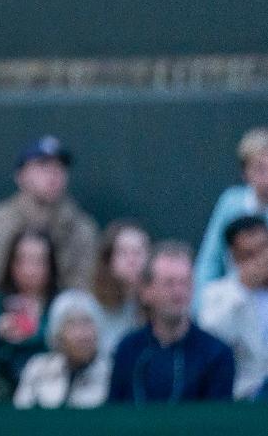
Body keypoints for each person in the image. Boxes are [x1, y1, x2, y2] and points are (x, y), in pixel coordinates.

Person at [0, 135, 98, 310]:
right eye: (42, 165)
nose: (53, 173)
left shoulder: (82, 228)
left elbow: (85, 289)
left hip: (60, 328)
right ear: (20, 175)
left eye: (60, 166)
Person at [109, 242, 234, 404]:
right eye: (169, 283)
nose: (179, 292)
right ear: (146, 291)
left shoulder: (216, 354)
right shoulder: (128, 350)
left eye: (185, 283)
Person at [0, 229, 57, 386]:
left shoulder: (62, 307)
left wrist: (36, 334)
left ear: (51, 266)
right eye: (22, 260)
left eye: (39, 261)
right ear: (10, 264)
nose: (29, 270)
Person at [195, 127, 268, 306]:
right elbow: (210, 261)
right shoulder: (230, 203)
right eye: (260, 168)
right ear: (245, 173)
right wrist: (200, 307)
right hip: (233, 303)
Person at [197, 216, 268, 400]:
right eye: (249, 254)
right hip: (241, 399)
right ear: (234, 256)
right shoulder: (216, 295)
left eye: (264, 249)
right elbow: (210, 344)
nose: (261, 260)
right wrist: (243, 289)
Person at [14, 290, 111, 409]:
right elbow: (20, 415)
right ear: (58, 334)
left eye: (87, 322)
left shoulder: (110, 372)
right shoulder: (38, 368)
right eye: (72, 324)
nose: (82, 334)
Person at [91, 220, 150, 355]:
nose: (132, 260)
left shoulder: (158, 305)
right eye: (123, 252)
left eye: (138, 252)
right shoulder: (90, 305)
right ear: (108, 259)